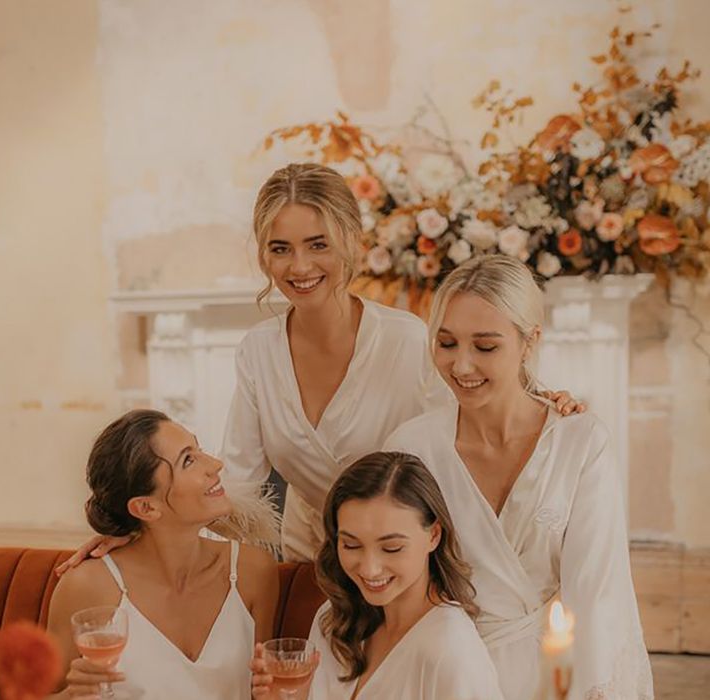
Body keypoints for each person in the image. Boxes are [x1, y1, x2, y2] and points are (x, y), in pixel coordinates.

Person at [56, 162, 582, 570]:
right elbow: (235, 480)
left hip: (409, 568)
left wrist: (544, 402)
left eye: (317, 245)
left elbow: (472, 435)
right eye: (280, 248)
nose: (299, 267)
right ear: (263, 256)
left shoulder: (405, 340)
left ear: (352, 242)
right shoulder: (258, 351)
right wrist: (138, 534)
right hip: (307, 563)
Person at [383, 255, 653, 700]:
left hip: (551, 673)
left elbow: (598, 593)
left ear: (529, 342)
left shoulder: (580, 442)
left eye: (485, 347)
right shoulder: (413, 448)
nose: (462, 366)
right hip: (443, 673)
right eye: (446, 343)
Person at [47, 409, 279, 700]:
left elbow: (265, 692)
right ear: (146, 508)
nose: (216, 465)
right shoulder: (87, 586)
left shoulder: (252, 571)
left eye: (199, 449)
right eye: (188, 460)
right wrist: (71, 696)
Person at [251, 451, 504, 700]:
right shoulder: (334, 619)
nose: (369, 569)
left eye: (391, 548)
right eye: (351, 545)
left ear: (434, 535)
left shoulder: (451, 652)